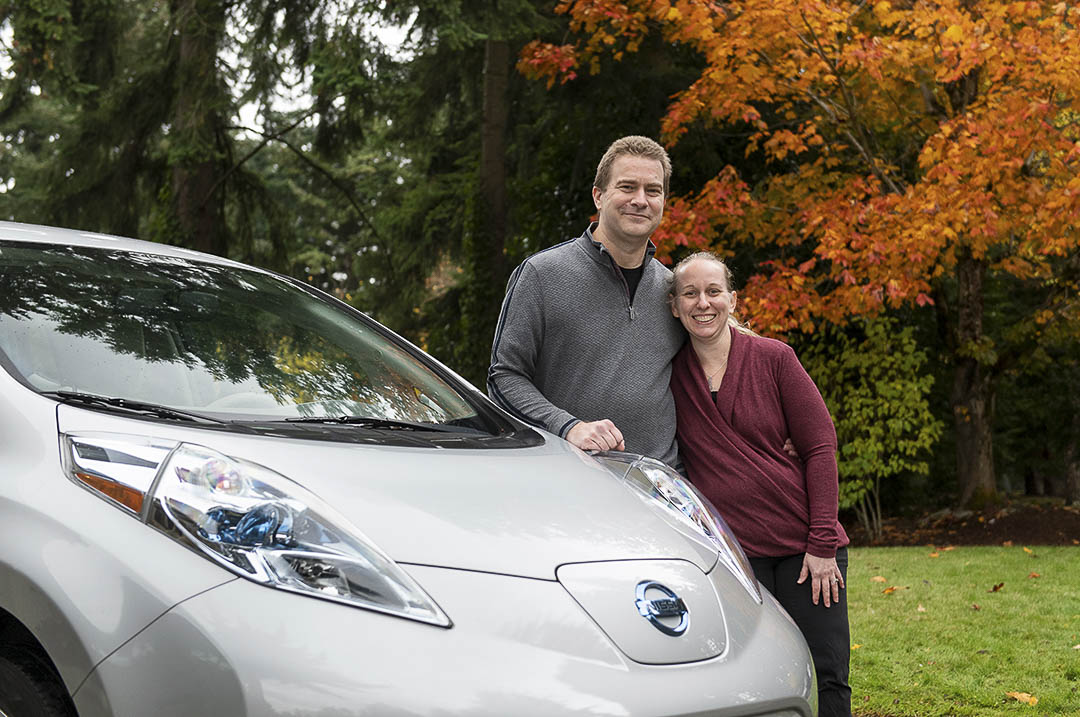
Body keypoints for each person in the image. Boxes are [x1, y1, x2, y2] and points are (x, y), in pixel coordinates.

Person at [667, 251, 852, 717]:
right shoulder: (669, 377)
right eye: (690, 293)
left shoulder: (774, 358)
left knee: (825, 671)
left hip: (804, 550)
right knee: (751, 683)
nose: (702, 303)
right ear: (674, 306)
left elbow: (820, 448)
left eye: (713, 291)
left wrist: (823, 544)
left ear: (733, 298)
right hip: (734, 559)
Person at [487, 136, 685, 466]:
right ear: (598, 196)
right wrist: (569, 427)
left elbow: (718, 362)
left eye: (652, 190)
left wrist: (782, 424)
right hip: (572, 479)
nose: (640, 200)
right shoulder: (542, 274)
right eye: (627, 187)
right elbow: (503, 378)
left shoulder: (673, 290)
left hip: (660, 487)